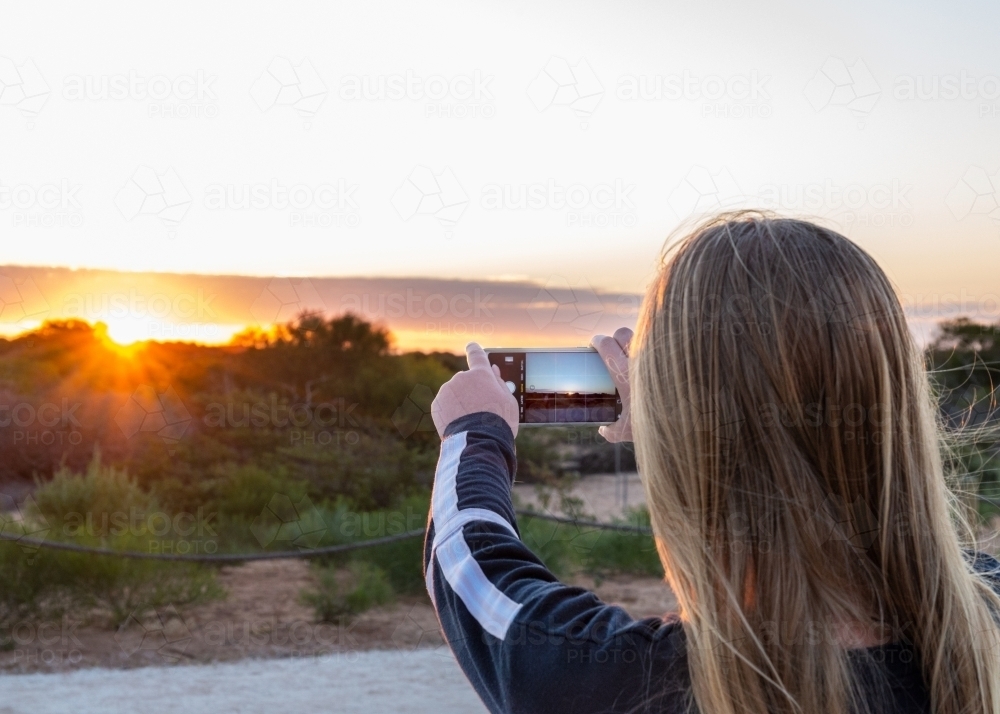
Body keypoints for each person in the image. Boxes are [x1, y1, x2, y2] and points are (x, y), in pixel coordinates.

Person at [424, 212, 1000, 714]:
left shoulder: (628, 684)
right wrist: (675, 428)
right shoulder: (984, 627)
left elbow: (470, 573)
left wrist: (474, 433)